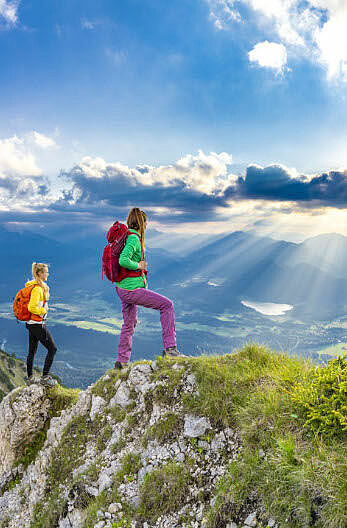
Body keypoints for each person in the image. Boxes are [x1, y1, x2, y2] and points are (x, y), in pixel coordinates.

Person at [114, 207, 182, 369]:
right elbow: (123, 260)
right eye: (146, 223)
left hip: (122, 288)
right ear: (141, 223)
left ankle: (121, 361)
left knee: (129, 323)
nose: (147, 226)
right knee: (167, 305)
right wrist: (138, 265)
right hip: (131, 290)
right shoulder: (134, 239)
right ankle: (170, 348)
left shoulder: (127, 236)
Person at [25, 262, 57, 387]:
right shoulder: (37, 289)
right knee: (52, 349)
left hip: (31, 323)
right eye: (45, 272)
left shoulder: (37, 286)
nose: (47, 274)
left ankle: (30, 378)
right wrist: (44, 310)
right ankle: (45, 377)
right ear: (39, 273)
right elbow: (32, 307)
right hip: (37, 324)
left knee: (32, 351)